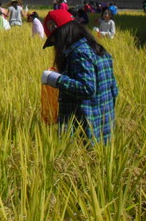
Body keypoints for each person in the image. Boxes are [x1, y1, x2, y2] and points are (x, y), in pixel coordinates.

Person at [40, 9, 118, 144]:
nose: (56, 45)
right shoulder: (96, 49)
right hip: (104, 128)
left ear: (62, 33)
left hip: (86, 132)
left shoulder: (78, 53)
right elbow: (114, 89)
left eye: (55, 39)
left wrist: (56, 79)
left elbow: (87, 88)